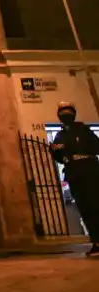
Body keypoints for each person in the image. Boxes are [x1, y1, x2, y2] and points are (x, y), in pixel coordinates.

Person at [51, 101, 99, 257]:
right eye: (62, 112)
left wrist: (73, 151)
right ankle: (96, 241)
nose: (65, 115)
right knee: (85, 208)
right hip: (74, 174)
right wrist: (58, 152)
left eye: (68, 112)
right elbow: (58, 155)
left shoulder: (84, 130)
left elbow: (96, 146)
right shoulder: (60, 135)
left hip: (90, 171)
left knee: (96, 204)